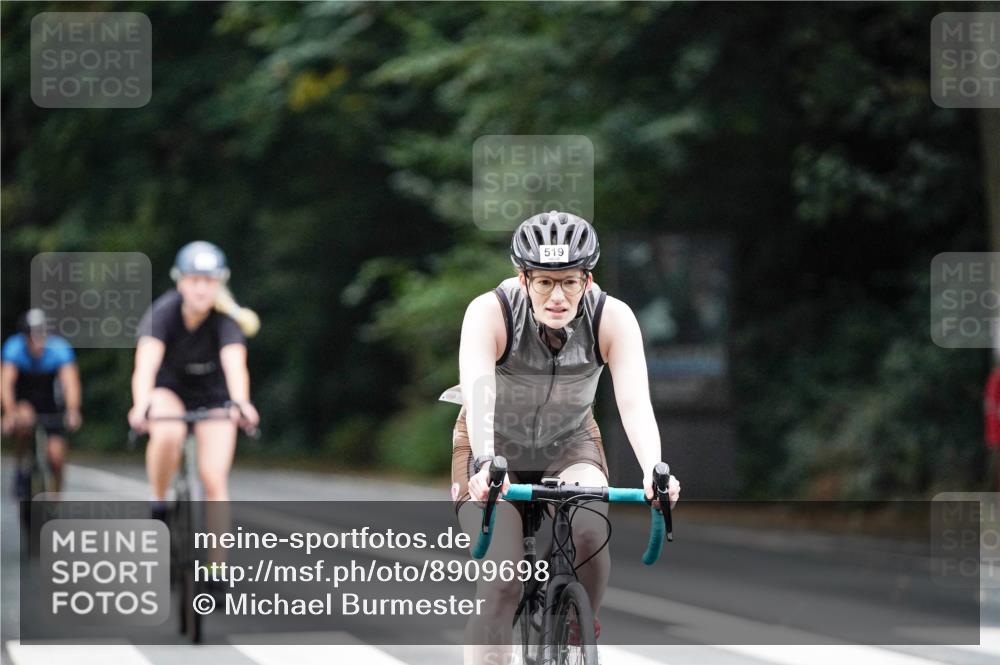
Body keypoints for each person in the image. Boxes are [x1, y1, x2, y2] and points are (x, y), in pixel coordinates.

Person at [445, 211, 681, 663]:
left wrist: (655, 469)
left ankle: (578, 623)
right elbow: (481, 394)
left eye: (569, 282)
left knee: (591, 531)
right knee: (501, 582)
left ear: (587, 280)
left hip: (570, 442)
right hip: (492, 442)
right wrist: (485, 464)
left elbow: (633, 402)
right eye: (544, 283)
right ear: (523, 277)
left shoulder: (613, 318)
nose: (558, 296)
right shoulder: (490, 312)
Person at [128, 241, 259, 553]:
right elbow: (145, 365)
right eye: (194, 280)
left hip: (213, 396)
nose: (201, 288)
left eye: (209, 281)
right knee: (167, 434)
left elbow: (235, 365)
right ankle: (159, 501)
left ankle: (216, 566)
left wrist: (242, 402)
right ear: (181, 281)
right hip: (170, 391)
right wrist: (141, 403)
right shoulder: (163, 313)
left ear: (219, 283)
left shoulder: (225, 319)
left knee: (214, 479)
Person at [1, 309, 82, 496]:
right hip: (24, 399)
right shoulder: (14, 348)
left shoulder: (59, 349)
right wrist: (9, 412)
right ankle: (22, 466)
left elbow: (71, 383)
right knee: (23, 421)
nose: (38, 341)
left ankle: (55, 500)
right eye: (32, 336)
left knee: (56, 456)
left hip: (50, 401)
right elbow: (6, 383)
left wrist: (73, 410)